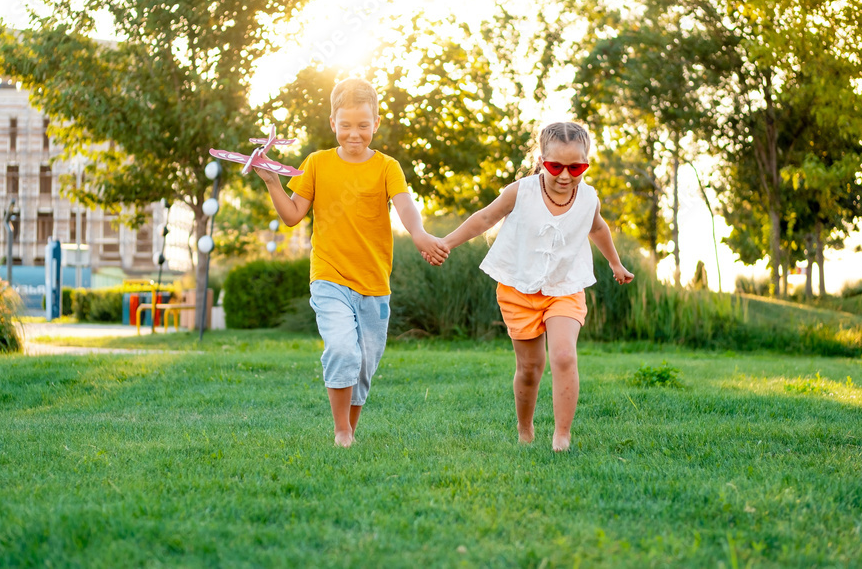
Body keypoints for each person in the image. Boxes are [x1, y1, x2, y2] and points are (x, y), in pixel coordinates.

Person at [254, 77, 449, 448]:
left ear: (376, 123)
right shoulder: (317, 163)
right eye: (345, 125)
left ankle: (350, 431)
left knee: (364, 363)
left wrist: (420, 234)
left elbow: (405, 205)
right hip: (329, 276)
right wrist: (272, 182)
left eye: (362, 125)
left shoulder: (387, 167)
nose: (354, 133)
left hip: (374, 282)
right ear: (333, 123)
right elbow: (293, 216)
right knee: (342, 349)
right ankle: (341, 431)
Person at [437, 121, 634, 452]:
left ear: (586, 163)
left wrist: (615, 263)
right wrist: (446, 243)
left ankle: (562, 435)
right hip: (519, 289)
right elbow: (484, 218)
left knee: (564, 355)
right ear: (541, 160)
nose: (565, 176)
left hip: (565, 287)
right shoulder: (521, 191)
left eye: (576, 168)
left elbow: (598, 228)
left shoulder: (588, 198)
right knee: (530, 369)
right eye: (556, 166)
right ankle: (525, 428)